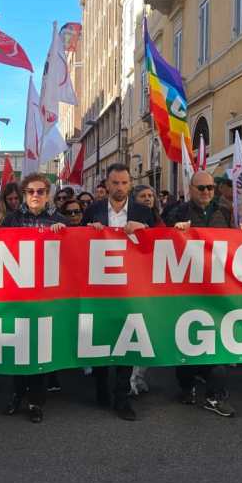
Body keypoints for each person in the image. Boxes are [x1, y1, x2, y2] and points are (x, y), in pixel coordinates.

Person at [164, 170, 242, 417]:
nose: (206, 192)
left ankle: (216, 396)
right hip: (186, 290)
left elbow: (237, 242)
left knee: (217, 343)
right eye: (201, 188)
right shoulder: (177, 212)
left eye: (210, 188)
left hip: (218, 290)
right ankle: (186, 386)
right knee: (185, 342)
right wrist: (175, 232)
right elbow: (158, 243)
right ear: (190, 189)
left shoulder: (224, 211)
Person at [82, 163, 156, 421]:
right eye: (115, 183)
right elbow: (78, 246)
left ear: (130, 183)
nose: (120, 188)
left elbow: (161, 245)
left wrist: (145, 232)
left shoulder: (143, 212)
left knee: (127, 342)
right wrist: (88, 233)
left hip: (131, 288)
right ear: (106, 184)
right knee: (101, 340)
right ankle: (101, 390)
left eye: (125, 183)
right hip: (100, 287)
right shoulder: (93, 210)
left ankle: (122, 398)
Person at [0, 173, 66, 423]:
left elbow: (73, 256)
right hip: (18, 294)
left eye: (40, 191)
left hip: (47, 297)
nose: (35, 196)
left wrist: (64, 234)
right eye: (30, 192)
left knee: (40, 350)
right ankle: (17, 394)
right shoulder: (12, 220)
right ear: (24, 194)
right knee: (19, 348)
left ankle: (36, 401)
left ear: (47, 194)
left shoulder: (59, 221)